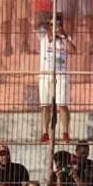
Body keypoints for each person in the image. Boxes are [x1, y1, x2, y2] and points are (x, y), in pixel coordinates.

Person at [38, 13, 76, 144]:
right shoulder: (43, 37)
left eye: (59, 25)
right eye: (53, 25)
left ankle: (65, 133)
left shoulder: (66, 38)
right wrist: (49, 28)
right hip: (45, 74)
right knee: (45, 104)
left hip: (61, 74)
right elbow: (37, 26)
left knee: (62, 104)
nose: (57, 27)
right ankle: (45, 133)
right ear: (49, 25)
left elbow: (72, 50)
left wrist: (63, 36)